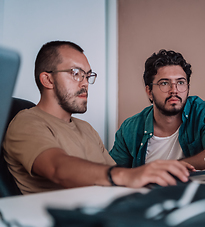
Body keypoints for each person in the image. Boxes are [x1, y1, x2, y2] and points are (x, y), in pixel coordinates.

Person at [3, 41, 193, 194]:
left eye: (88, 75)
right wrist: (128, 176)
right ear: (48, 79)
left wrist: (155, 179)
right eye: (76, 73)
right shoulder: (26, 122)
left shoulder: (85, 128)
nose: (85, 83)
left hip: (109, 215)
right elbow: (57, 167)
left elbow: (112, 177)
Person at [109, 49, 205, 170]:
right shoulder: (130, 128)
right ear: (149, 92)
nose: (174, 90)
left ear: (188, 87)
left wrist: (169, 167)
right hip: (149, 190)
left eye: (180, 82)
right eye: (164, 83)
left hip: (193, 189)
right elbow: (113, 173)